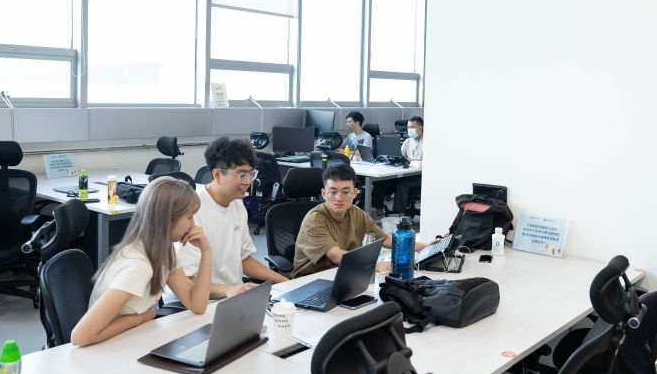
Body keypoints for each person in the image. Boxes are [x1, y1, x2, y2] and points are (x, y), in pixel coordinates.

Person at [71, 176, 211, 346]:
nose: (193, 225)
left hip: (130, 339)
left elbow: (197, 305)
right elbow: (81, 336)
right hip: (108, 348)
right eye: (189, 217)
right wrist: (140, 318)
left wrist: (206, 251)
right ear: (167, 220)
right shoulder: (139, 265)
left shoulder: (162, 250)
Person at [171, 136, 288, 302]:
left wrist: (286, 282)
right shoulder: (193, 213)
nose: (248, 181)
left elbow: (243, 260)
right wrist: (229, 290)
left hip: (235, 297)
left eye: (251, 173)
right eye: (241, 175)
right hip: (202, 303)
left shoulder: (237, 204)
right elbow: (187, 280)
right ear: (217, 175)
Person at [290, 163, 428, 278]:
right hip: (310, 280)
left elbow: (385, 239)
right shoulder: (314, 220)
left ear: (354, 193)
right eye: (333, 192)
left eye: (345, 192)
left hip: (343, 272)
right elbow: (336, 255)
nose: (339, 198)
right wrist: (376, 266)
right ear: (324, 193)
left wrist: (427, 246)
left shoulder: (356, 212)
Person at [374, 116, 424, 217]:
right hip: (407, 172)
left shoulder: (428, 142)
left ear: (420, 127)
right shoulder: (408, 141)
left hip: (420, 175)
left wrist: (412, 160)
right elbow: (401, 155)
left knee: (403, 184)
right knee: (380, 182)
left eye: (412, 127)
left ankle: (401, 216)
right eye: (408, 127)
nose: (409, 130)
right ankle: (379, 210)